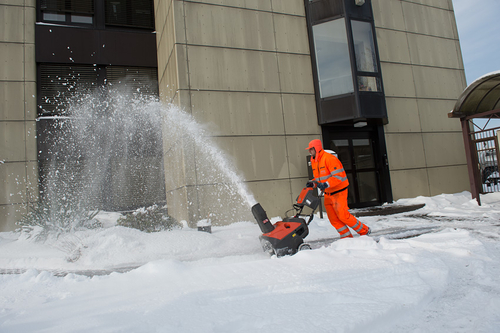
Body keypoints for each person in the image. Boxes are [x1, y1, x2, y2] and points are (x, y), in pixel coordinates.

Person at [306, 139, 371, 239]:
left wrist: (326, 184)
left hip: (338, 192)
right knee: (333, 219)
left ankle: (364, 231)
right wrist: (313, 183)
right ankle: (346, 238)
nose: (309, 151)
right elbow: (320, 179)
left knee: (343, 216)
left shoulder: (329, 158)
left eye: (311, 149)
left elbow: (338, 176)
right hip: (328, 193)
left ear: (317, 148)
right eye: (309, 150)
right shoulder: (314, 161)